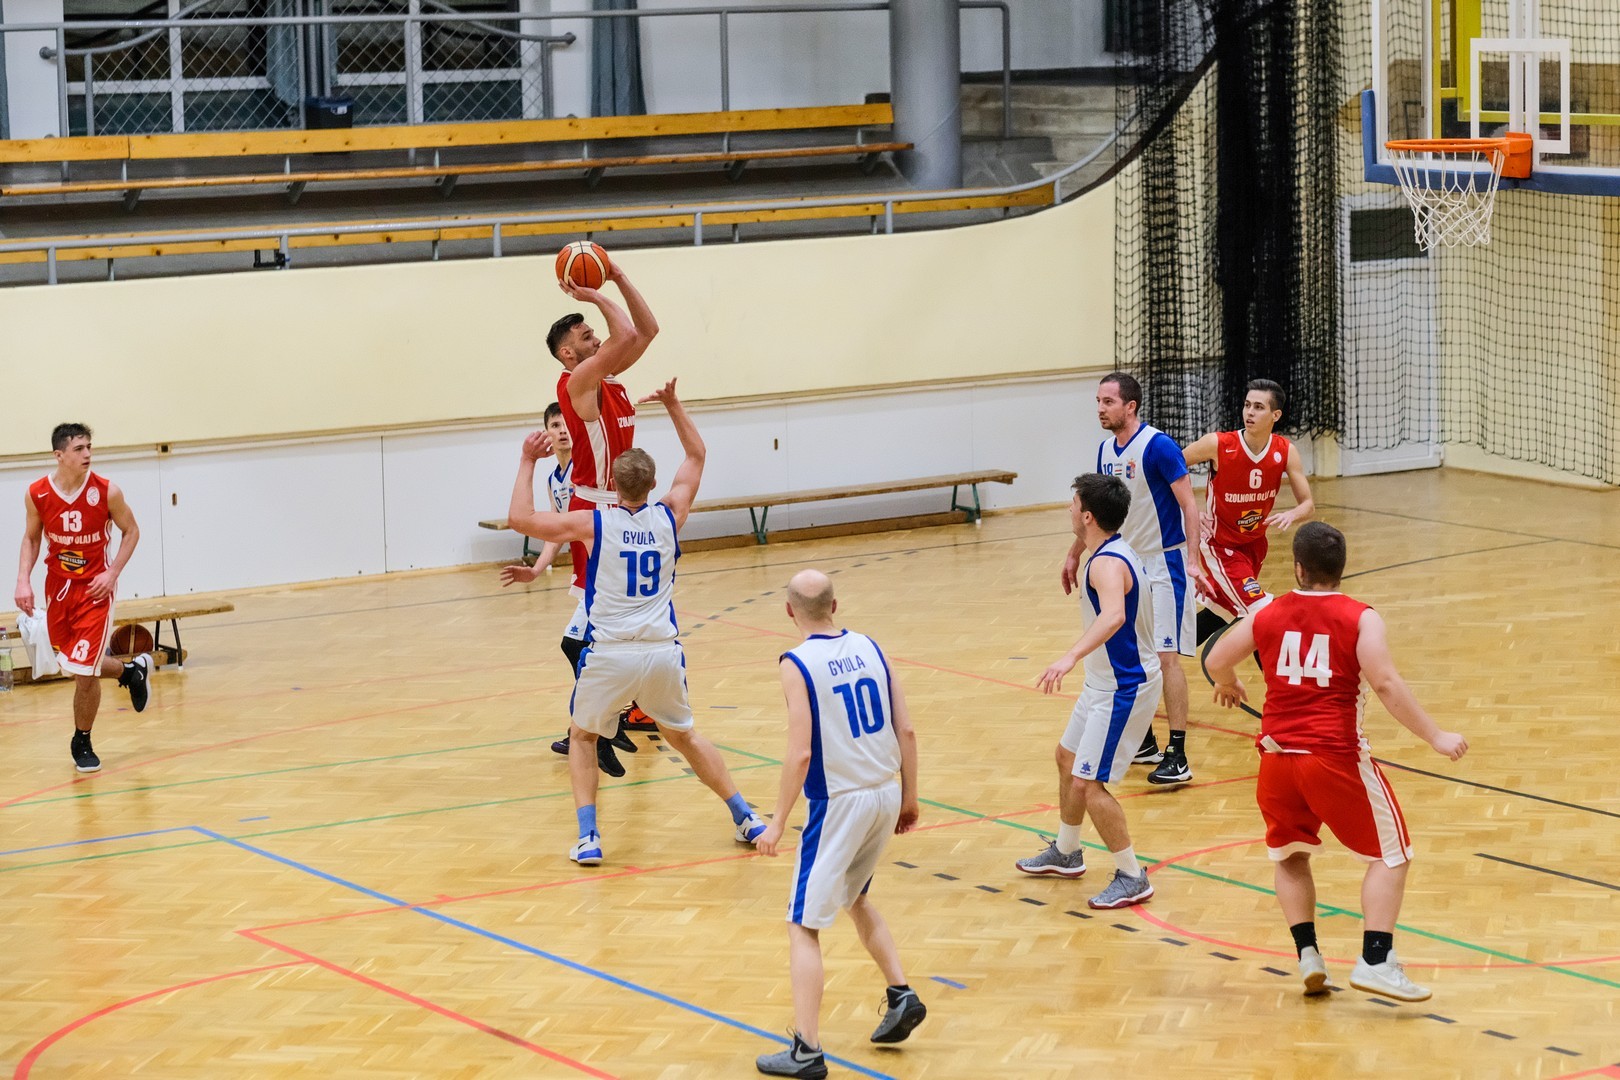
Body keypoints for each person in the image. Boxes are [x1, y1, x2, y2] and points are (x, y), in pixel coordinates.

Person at [506, 379, 767, 864]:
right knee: (686, 737)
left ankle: (589, 837)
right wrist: (673, 404)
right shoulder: (670, 516)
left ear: (612, 484)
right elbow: (697, 456)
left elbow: (520, 519)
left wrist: (526, 460)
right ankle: (746, 816)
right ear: (652, 485)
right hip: (662, 652)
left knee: (582, 737)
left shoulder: (593, 523)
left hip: (610, 654)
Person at [1206, 522, 1468, 1002]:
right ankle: (1376, 960)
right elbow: (1385, 684)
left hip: (1275, 759)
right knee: (1392, 855)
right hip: (1332, 756)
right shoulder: (1360, 618)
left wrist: (1227, 682)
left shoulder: (1266, 613)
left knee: (1290, 855)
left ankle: (1308, 955)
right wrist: (1435, 736)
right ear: (1342, 568)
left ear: (1298, 568)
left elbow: (1216, 659)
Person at [753, 569, 924, 1079]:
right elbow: (907, 729)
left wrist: (777, 823)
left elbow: (801, 752)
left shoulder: (796, 662)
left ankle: (807, 1049)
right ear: (834, 605)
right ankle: (901, 992)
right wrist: (910, 797)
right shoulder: (871, 646)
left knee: (802, 924)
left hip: (840, 804)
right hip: (885, 792)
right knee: (856, 896)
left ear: (790, 611)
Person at [1020, 474, 1163, 909]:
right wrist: (1073, 552)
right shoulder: (1110, 548)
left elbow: (1114, 615)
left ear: (1087, 516)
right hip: (1104, 682)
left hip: (1124, 686)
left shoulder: (1106, 565)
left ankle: (1132, 875)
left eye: (1073, 504)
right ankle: (1066, 852)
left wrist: (1069, 657)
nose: (1068, 509)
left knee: (1089, 784)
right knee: (1067, 758)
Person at [1062, 372, 1207, 786]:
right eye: (1098, 401)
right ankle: (1143, 742)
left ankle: (1177, 753)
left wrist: (1193, 560)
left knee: (1165, 657)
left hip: (1164, 563)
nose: (1100, 409)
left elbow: (1189, 506)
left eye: (1108, 402)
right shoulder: (1105, 450)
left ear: (1130, 406)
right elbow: (1100, 514)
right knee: (1135, 651)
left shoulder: (1158, 446)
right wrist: (1074, 552)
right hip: (1126, 562)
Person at [547, 258, 661, 737]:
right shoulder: (578, 384)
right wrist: (594, 293)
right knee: (596, 626)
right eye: (586, 336)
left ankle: (617, 713)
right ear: (568, 354)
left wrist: (617, 276)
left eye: (594, 333)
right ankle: (595, 724)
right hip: (596, 509)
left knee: (622, 616)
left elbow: (646, 330)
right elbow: (625, 335)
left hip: (624, 507)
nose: (596, 339)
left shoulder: (609, 379)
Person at [500, 403, 636, 776]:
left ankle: (602, 726)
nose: (561, 430)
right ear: (545, 431)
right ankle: (607, 721)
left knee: (578, 647)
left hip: (604, 573)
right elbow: (556, 532)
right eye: (554, 425)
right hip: (585, 574)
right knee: (580, 648)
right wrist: (537, 569)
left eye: (566, 424)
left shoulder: (589, 475)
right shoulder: (554, 480)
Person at [14, 423, 152, 772]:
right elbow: (31, 538)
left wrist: (112, 573)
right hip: (58, 589)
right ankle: (130, 672)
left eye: (89, 446)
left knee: (84, 674)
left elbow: (132, 531)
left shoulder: (107, 491)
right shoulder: (37, 493)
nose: (88, 454)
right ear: (59, 455)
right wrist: (23, 581)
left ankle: (82, 740)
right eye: (79, 449)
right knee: (70, 663)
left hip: (95, 590)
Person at [1182, 379, 1314, 636]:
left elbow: (1308, 504)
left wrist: (1292, 514)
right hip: (1220, 545)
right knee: (1262, 611)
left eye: (1258, 407)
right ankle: (1277, 665)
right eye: (1247, 405)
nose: (1249, 412)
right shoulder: (1218, 444)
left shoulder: (1285, 451)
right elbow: (1170, 467)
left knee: (1222, 613)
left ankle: (1160, 650)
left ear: (1276, 415)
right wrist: (1189, 509)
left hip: (1254, 545)